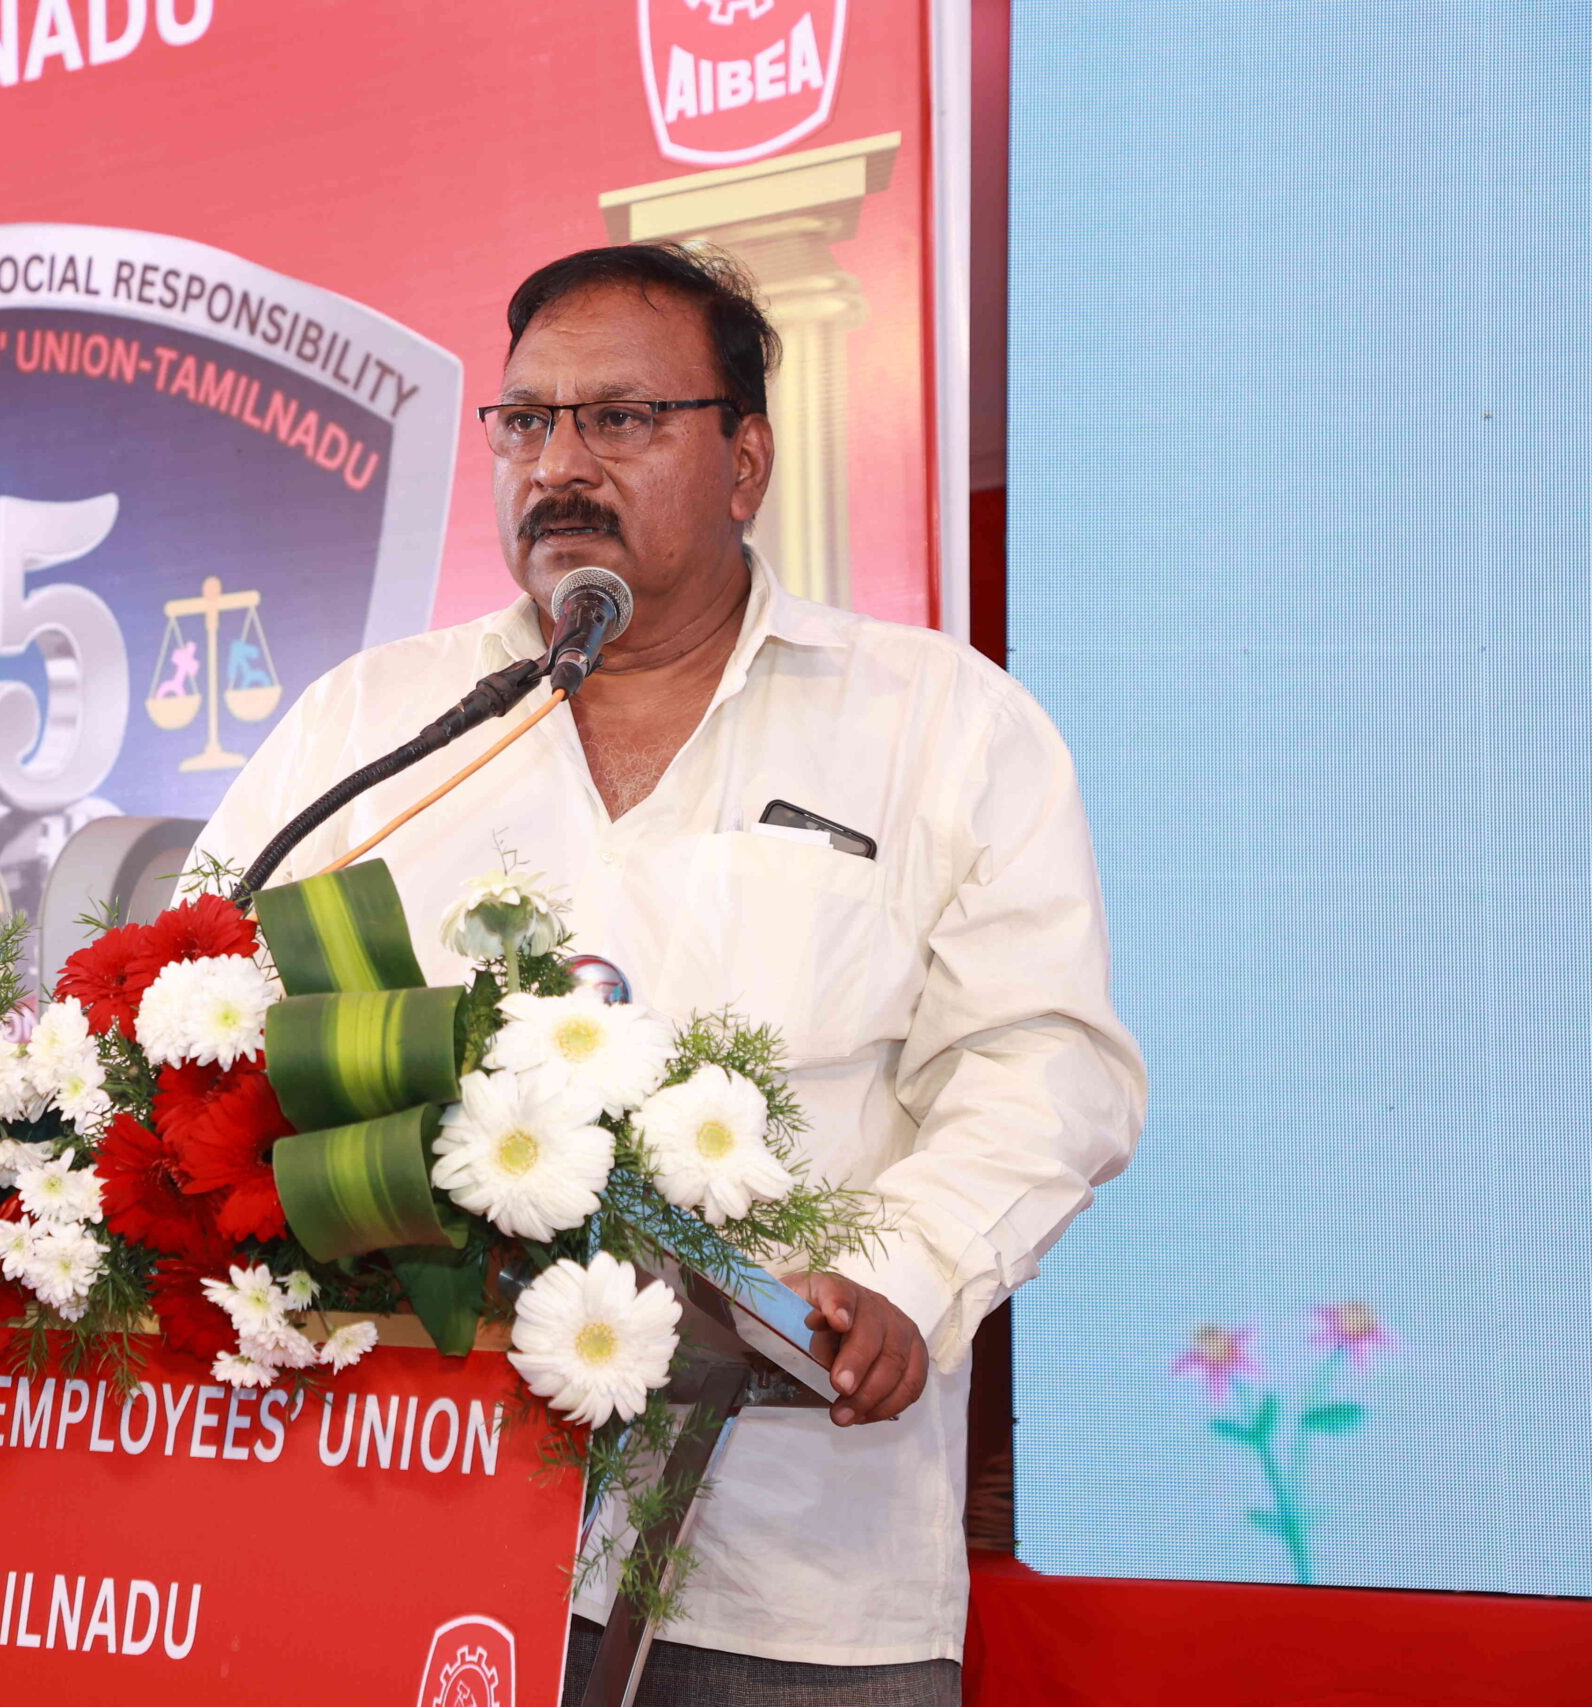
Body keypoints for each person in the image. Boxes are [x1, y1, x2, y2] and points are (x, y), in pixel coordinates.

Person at [192, 244, 1145, 1703]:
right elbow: (196, 1005)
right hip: (401, 1527)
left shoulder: (938, 721)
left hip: (790, 1576)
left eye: (622, 419)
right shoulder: (369, 724)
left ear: (745, 459)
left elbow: (1044, 1061)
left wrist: (899, 1273)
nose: (559, 466)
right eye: (527, 421)